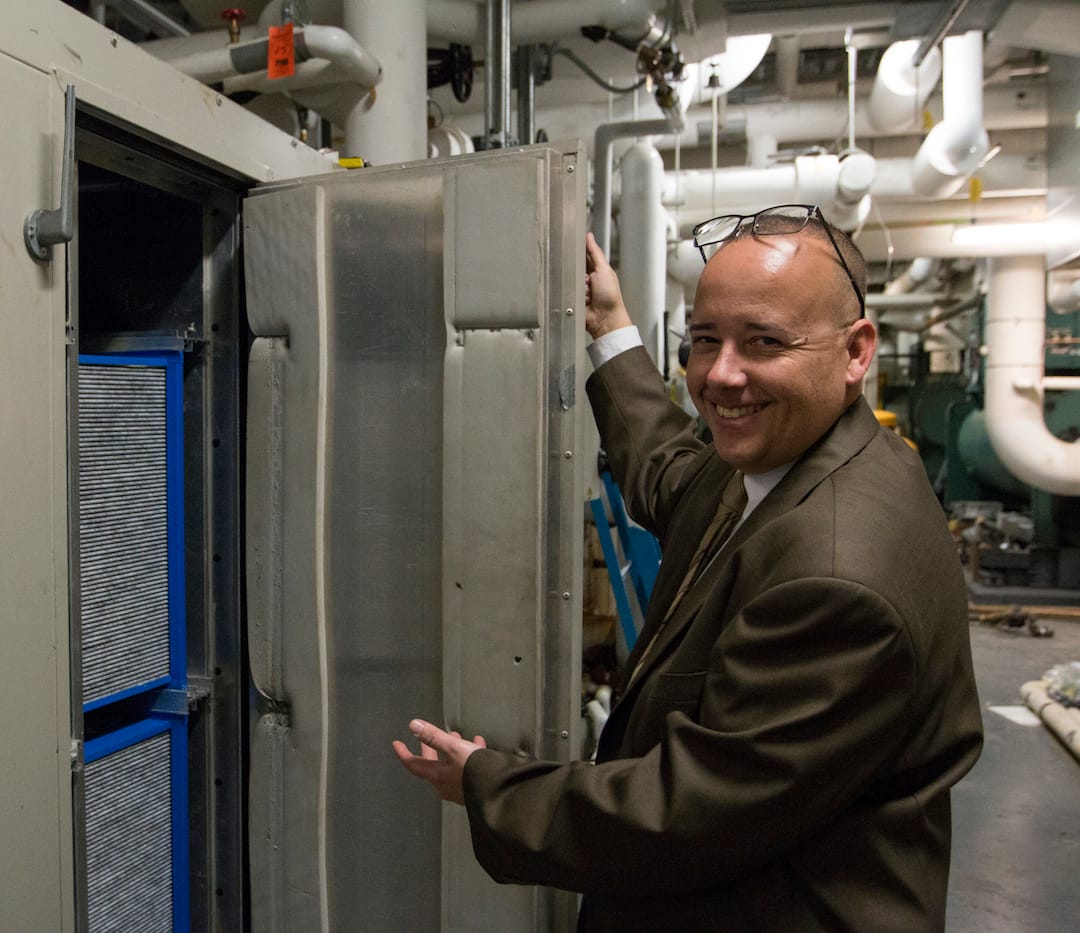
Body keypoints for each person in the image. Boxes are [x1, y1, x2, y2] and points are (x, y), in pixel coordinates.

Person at [393, 205, 983, 931]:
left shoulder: (837, 578)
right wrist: (609, 323)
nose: (721, 375)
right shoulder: (805, 454)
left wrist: (486, 783)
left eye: (764, 342)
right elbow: (674, 474)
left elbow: (688, 816)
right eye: (705, 340)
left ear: (857, 350)